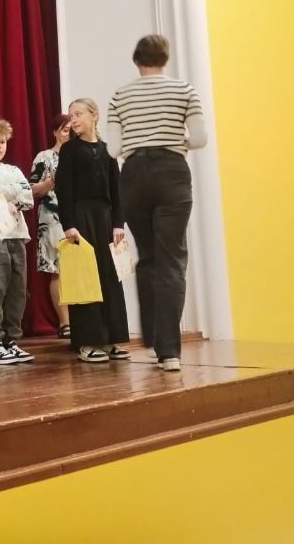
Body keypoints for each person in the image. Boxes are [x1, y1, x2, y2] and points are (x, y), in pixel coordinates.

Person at [107, 34, 207, 372]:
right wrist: (173, 141)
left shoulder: (120, 95)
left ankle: (151, 340)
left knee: (148, 256)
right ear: (166, 59)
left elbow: (113, 149)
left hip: (134, 175)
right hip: (172, 173)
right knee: (172, 260)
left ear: (137, 61)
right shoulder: (184, 90)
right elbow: (200, 138)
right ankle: (170, 353)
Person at [57, 98, 130, 364]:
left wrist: (118, 223)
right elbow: (64, 190)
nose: (73, 120)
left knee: (109, 277)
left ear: (94, 115)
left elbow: (117, 191)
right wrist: (68, 224)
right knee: (86, 278)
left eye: (78, 114)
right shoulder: (69, 150)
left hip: (105, 219)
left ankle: (111, 338)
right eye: (71, 115)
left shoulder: (108, 150)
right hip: (81, 219)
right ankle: (87, 341)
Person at [0, 120, 34, 366]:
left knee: (17, 291)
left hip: (17, 234)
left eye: (2, 141)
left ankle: (11, 341)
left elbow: (28, 196)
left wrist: (8, 195)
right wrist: (8, 193)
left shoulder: (13, 169)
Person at [29, 113, 72, 338]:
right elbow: (31, 191)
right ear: (55, 132)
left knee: (79, 267)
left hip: (78, 215)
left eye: (72, 131)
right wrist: (51, 181)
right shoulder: (44, 157)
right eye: (65, 130)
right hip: (52, 218)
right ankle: (65, 323)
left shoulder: (79, 155)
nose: (68, 135)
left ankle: (83, 320)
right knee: (58, 269)